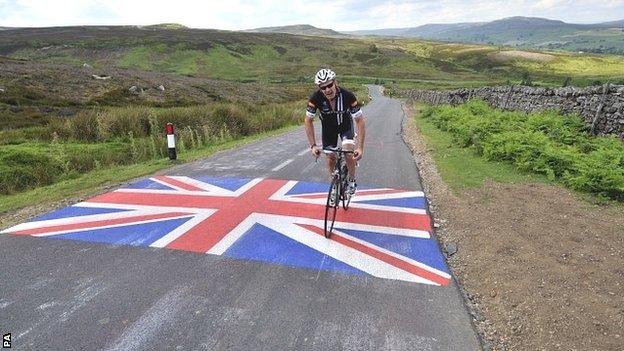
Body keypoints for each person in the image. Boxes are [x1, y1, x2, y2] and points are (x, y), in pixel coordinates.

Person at [304, 68, 366, 197]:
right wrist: (313, 145)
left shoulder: (348, 96)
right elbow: (308, 121)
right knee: (330, 157)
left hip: (345, 126)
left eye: (330, 85)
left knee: (348, 152)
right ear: (319, 88)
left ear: (335, 82)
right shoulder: (315, 98)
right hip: (328, 130)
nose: (327, 89)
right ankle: (334, 184)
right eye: (323, 87)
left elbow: (360, 121)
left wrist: (360, 148)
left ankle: (352, 180)